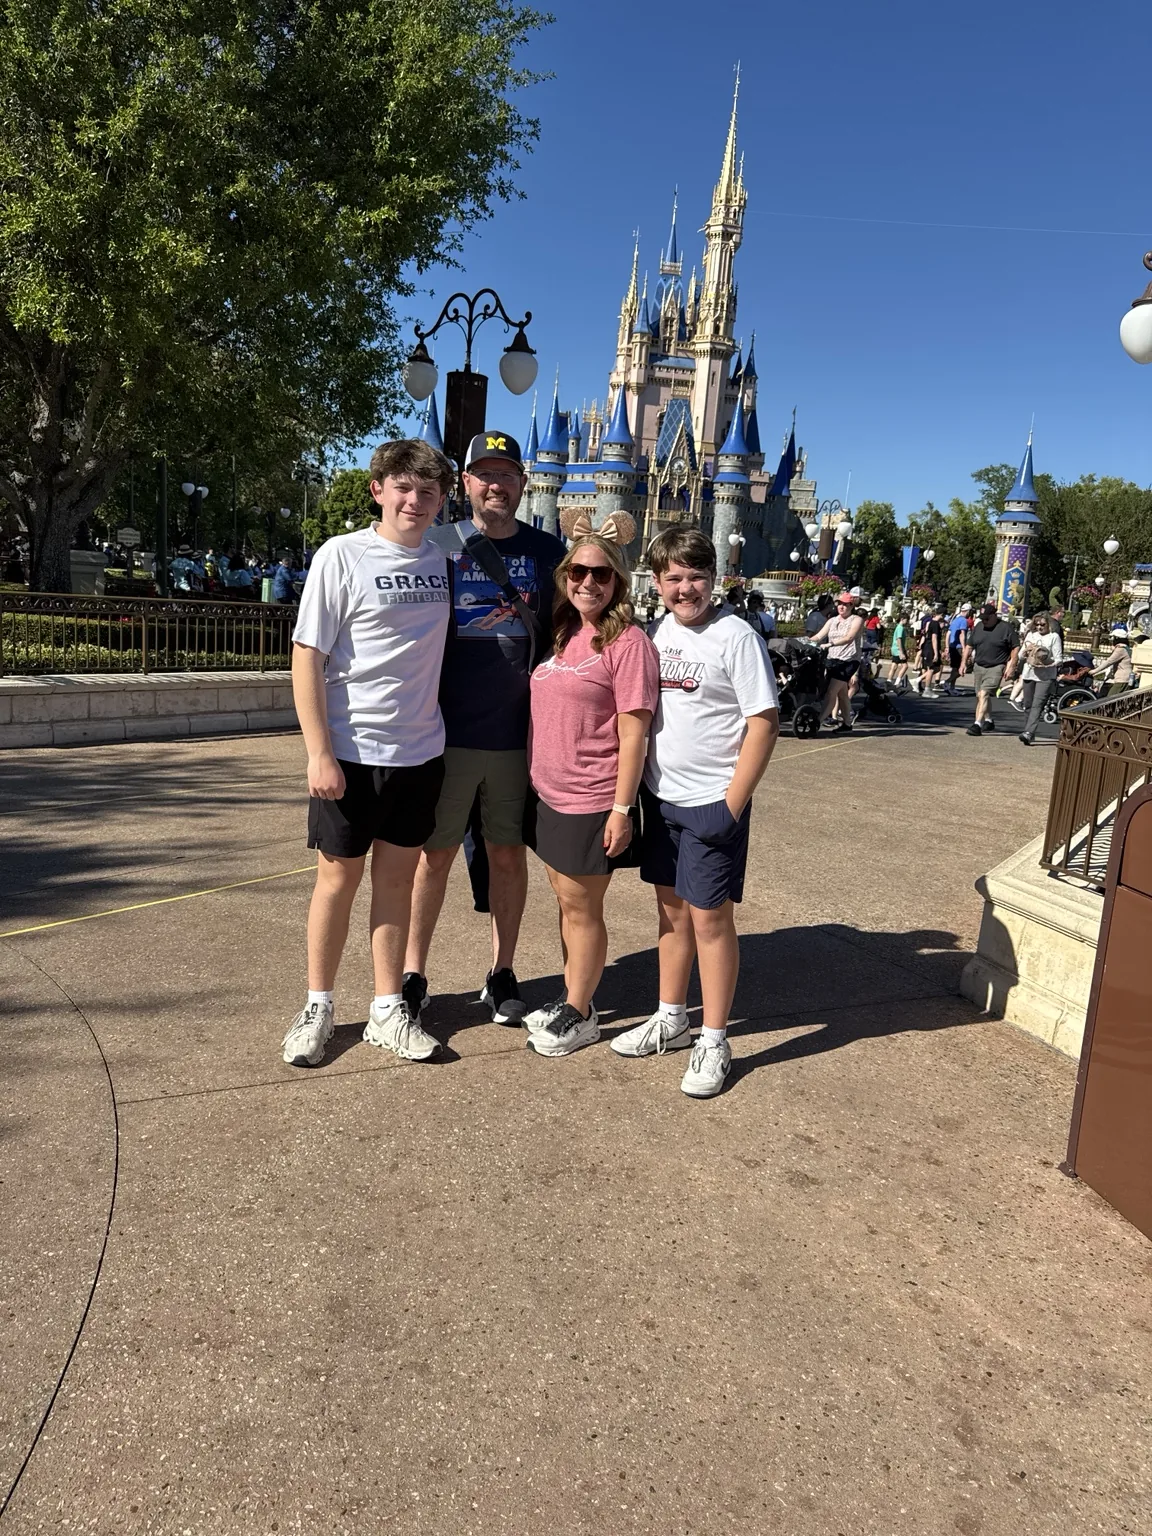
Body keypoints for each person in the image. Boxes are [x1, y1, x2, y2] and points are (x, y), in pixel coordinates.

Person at [281, 437, 455, 1069]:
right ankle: (318, 1006)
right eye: (403, 488)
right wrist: (318, 753)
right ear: (378, 490)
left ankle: (387, 1008)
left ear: (441, 500)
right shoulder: (342, 555)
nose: (415, 501)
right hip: (351, 752)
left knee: (396, 883)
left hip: (420, 752)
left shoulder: (445, 557)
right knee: (336, 881)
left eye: (429, 491)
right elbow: (308, 656)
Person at [404, 430, 566, 1026]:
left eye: (508, 475)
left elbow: (581, 622)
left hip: (516, 736)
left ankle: (501, 972)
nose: (496, 485)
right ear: (465, 483)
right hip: (442, 732)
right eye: (485, 474)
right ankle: (413, 973)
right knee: (435, 855)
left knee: (505, 854)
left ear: (524, 484)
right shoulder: (436, 543)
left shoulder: (550, 551)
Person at [610, 527, 779, 1098]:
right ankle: (671, 1016)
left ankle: (714, 1037)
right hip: (662, 799)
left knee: (711, 920)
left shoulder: (736, 637)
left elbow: (763, 722)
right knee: (672, 915)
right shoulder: (655, 633)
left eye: (696, 577)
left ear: (715, 578)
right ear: (656, 583)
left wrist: (732, 804)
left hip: (711, 801)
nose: (686, 589)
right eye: (674, 578)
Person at [520, 517, 659, 1057]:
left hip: (591, 797)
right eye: (578, 571)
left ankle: (581, 1013)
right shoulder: (566, 632)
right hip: (549, 793)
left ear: (618, 581)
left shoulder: (627, 643)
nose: (588, 583)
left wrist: (621, 808)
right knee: (564, 901)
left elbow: (634, 732)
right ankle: (573, 995)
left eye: (601, 574)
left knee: (582, 908)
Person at [810, 591, 864, 731]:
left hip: (848, 661)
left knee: (831, 691)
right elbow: (818, 636)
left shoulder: (856, 620)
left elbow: (849, 637)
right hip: (832, 659)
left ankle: (818, 722)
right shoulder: (832, 620)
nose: (841, 607)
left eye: (845, 604)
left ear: (851, 606)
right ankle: (847, 723)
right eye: (839, 603)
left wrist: (831, 644)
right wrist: (804, 642)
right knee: (842, 693)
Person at [964, 603, 1019, 736]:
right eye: (982, 618)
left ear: (994, 615)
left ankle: (977, 724)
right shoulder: (979, 626)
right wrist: (963, 663)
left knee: (984, 693)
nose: (984, 621)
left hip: (996, 666)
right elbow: (969, 646)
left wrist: (1011, 666)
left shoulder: (1005, 628)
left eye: (987, 618)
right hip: (979, 666)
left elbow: (1015, 647)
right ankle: (988, 720)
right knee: (981, 696)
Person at [1018, 612, 1063, 745]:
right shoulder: (1031, 635)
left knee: (1038, 704)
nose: (1039, 627)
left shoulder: (1054, 637)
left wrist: (1046, 661)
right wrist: (1027, 652)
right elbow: (1021, 656)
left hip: (1046, 675)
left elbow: (1059, 659)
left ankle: (1029, 732)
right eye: (1036, 624)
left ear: (1049, 624)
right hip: (1029, 673)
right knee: (1028, 704)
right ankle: (1028, 731)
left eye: (1042, 624)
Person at [1089, 626, 1134, 695]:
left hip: (1122, 680)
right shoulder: (1126, 648)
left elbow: (1109, 662)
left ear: (1117, 638)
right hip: (1127, 679)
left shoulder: (1120, 649)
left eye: (1113, 638)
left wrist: (1095, 671)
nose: (1111, 640)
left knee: (1110, 699)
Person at [944, 603, 973, 694]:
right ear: (968, 611)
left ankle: (951, 687)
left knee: (955, 668)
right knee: (965, 668)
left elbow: (948, 634)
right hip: (959, 647)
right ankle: (947, 682)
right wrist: (964, 647)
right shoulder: (963, 621)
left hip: (952, 646)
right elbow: (962, 634)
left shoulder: (955, 620)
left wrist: (947, 646)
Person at [918, 604, 946, 695]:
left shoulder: (931, 623)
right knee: (931, 669)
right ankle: (927, 689)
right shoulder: (935, 624)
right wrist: (936, 653)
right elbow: (934, 638)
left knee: (936, 668)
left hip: (929, 647)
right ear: (941, 615)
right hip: (930, 648)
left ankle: (918, 679)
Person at [889, 609, 911, 690]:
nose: (907, 622)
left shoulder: (898, 627)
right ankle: (897, 683)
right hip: (898, 650)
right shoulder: (901, 628)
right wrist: (901, 652)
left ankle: (889, 682)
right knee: (905, 666)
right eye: (907, 620)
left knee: (894, 665)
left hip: (895, 648)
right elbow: (899, 639)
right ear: (902, 619)